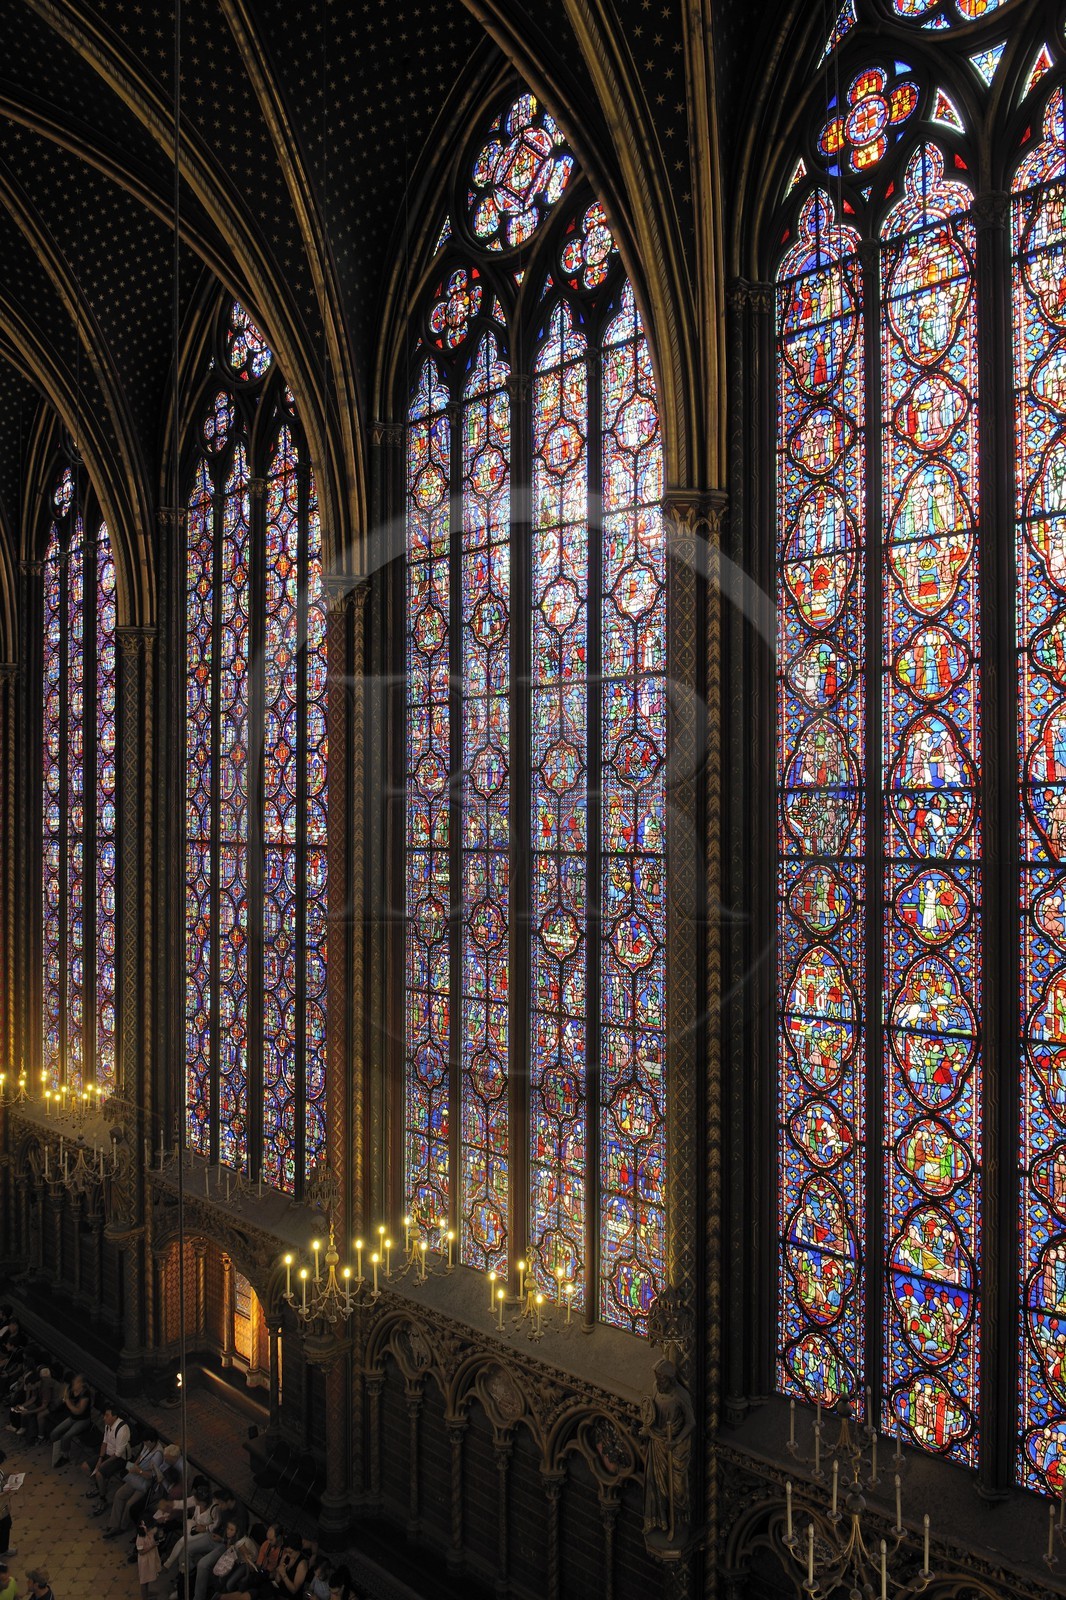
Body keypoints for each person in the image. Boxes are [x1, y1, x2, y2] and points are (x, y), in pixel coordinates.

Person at [102, 1432, 164, 1533]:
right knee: (119, 1494)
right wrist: (134, 1466)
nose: (145, 1445)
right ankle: (114, 1523)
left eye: (146, 1443)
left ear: (151, 1441)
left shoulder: (158, 1455)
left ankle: (123, 1526)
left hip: (144, 1482)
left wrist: (138, 1471)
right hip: (135, 1477)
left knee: (129, 1504)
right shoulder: (147, 1445)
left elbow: (152, 1476)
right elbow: (140, 1456)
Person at [83, 1405, 131, 1502]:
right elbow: (104, 1442)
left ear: (114, 1416)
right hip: (108, 1454)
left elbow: (118, 1454)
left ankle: (102, 1498)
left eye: (107, 1415)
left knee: (99, 1473)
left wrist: (102, 1464)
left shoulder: (122, 1430)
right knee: (85, 1467)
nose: (104, 1418)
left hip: (120, 1459)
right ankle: (100, 1487)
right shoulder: (108, 1425)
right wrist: (100, 1458)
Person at [48, 1374, 90, 1468]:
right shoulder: (71, 1390)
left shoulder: (85, 1394)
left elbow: (79, 1411)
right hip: (72, 1418)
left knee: (66, 1436)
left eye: (77, 1382)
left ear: (82, 1384)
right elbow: (64, 1398)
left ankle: (65, 1456)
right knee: (54, 1433)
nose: (74, 1383)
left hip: (82, 1420)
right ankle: (59, 1451)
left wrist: (68, 1403)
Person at [135, 1519, 161, 1600]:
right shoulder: (140, 1538)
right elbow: (141, 1552)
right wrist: (151, 1546)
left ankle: (147, 1592)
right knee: (144, 1581)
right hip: (145, 1561)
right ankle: (144, 1597)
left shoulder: (149, 1533)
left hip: (150, 1558)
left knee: (147, 1578)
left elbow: (156, 1530)